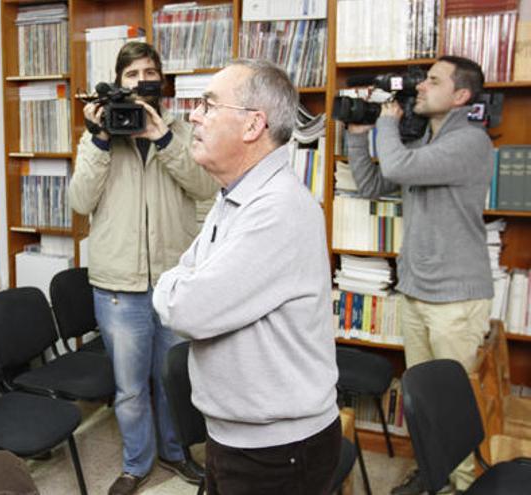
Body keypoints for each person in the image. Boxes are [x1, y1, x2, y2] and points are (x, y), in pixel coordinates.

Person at [152, 59, 341, 495]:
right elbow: (185, 281)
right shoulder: (234, 197)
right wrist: (180, 282)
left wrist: (174, 285)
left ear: (253, 125)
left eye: (209, 104)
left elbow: (185, 307)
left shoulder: (277, 210)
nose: (193, 116)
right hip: (236, 436)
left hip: (277, 449)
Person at [69, 41, 217, 495]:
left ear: (161, 81)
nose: (139, 82)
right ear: (118, 82)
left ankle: (176, 453)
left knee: (172, 379)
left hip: (174, 281)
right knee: (130, 390)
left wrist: (164, 140)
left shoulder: (182, 132)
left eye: (148, 73)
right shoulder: (99, 136)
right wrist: (98, 140)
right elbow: (79, 203)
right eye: (130, 75)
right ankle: (136, 464)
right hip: (118, 285)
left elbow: (206, 186)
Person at [345, 56, 493, 495]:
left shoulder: (469, 142)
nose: (420, 88)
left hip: (454, 301)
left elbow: (396, 167)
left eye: (432, 81)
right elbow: (374, 184)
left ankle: (466, 486)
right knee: (425, 407)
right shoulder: (428, 146)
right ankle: (435, 476)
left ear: (461, 95)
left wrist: (386, 122)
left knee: (454, 409)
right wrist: (357, 136)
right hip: (416, 292)